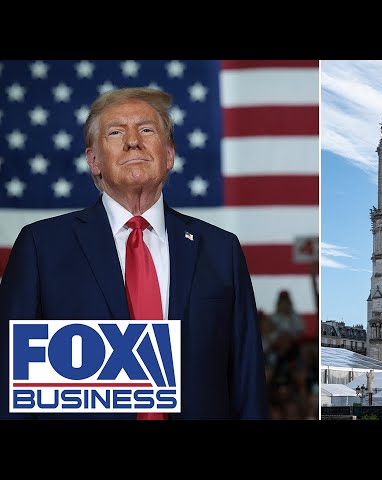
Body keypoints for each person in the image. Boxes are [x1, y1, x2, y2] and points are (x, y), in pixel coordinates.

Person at [0, 87, 269, 420]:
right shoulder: (41, 246)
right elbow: (12, 386)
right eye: (115, 132)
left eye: (146, 130)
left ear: (169, 155)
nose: (132, 141)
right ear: (93, 161)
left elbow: (247, 383)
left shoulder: (221, 250)